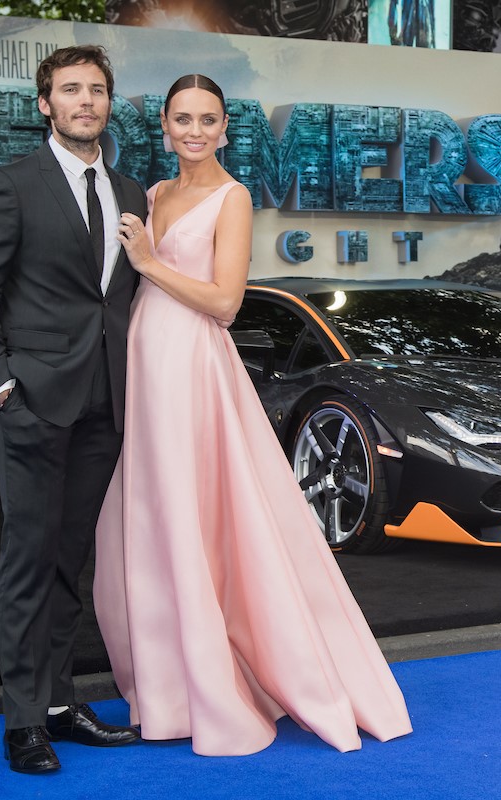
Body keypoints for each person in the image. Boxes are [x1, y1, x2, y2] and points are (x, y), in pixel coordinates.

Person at [93, 74, 413, 756]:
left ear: (225, 130)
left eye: (208, 119)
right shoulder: (153, 195)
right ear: (165, 127)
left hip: (191, 365)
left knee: (197, 514)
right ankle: (168, 688)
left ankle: (218, 687)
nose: (194, 130)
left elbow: (226, 302)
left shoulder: (232, 197)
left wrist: (148, 260)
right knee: (153, 517)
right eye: (182, 118)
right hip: (146, 362)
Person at [0, 45, 147, 775]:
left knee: (72, 560)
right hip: (31, 402)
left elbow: (121, 300)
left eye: (96, 90)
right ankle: (23, 721)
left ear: (107, 103)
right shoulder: (10, 185)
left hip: (105, 403)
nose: (85, 101)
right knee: (28, 559)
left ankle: (61, 703)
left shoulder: (129, 191)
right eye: (70, 90)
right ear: (45, 104)